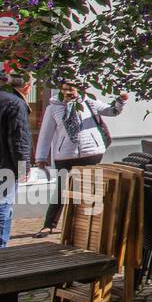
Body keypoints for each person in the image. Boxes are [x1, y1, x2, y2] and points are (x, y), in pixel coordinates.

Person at [35, 82, 128, 235]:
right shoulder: (53, 108)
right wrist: (41, 156)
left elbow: (111, 111)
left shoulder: (89, 102)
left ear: (79, 89)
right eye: (64, 89)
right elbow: (46, 133)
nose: (68, 92)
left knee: (89, 189)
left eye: (71, 89)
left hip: (91, 152)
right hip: (65, 155)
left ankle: (87, 226)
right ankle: (49, 224)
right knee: (61, 189)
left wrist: (120, 101)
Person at [0, 69, 33, 248]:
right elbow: (18, 140)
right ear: (27, 87)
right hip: (4, 168)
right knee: (2, 209)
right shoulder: (15, 103)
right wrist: (23, 168)